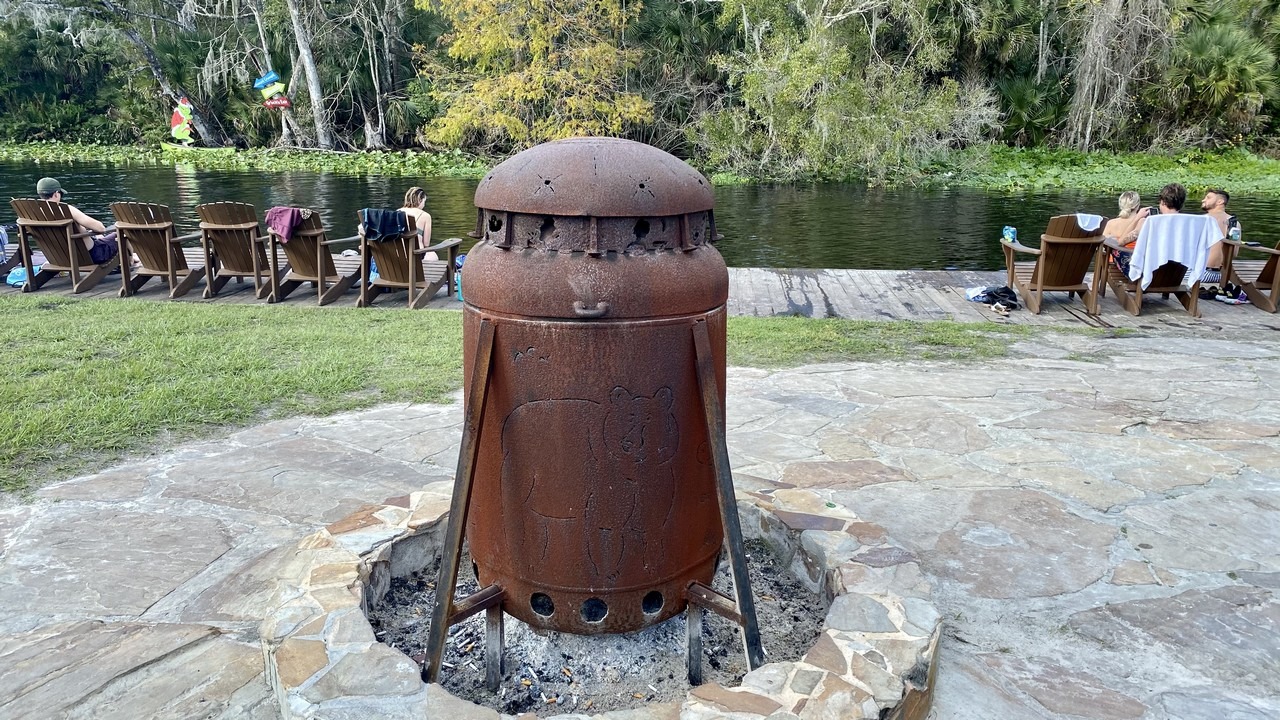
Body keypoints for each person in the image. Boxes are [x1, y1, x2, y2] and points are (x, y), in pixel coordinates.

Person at [35, 177, 121, 265]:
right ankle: (130, 263)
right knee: (121, 233)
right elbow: (100, 228)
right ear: (56, 194)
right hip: (90, 256)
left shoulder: (34, 214)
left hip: (59, 257)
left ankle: (132, 259)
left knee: (99, 237)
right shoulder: (66, 210)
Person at [1102, 190, 1151, 276]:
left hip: (1113, 262)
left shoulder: (1111, 223)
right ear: (1137, 206)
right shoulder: (1142, 222)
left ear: (1121, 204)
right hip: (1136, 264)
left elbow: (1102, 247)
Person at [1199, 188, 1238, 285]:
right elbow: (1234, 253)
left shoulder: (1202, 220)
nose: (1203, 200)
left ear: (1220, 201)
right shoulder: (1235, 223)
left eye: (1208, 198)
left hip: (1203, 274)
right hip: (1222, 275)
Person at [399, 186, 438, 260]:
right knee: (433, 255)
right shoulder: (425, 216)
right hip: (417, 257)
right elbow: (426, 244)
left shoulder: (397, 212)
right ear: (420, 200)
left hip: (397, 257)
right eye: (424, 201)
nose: (424, 204)